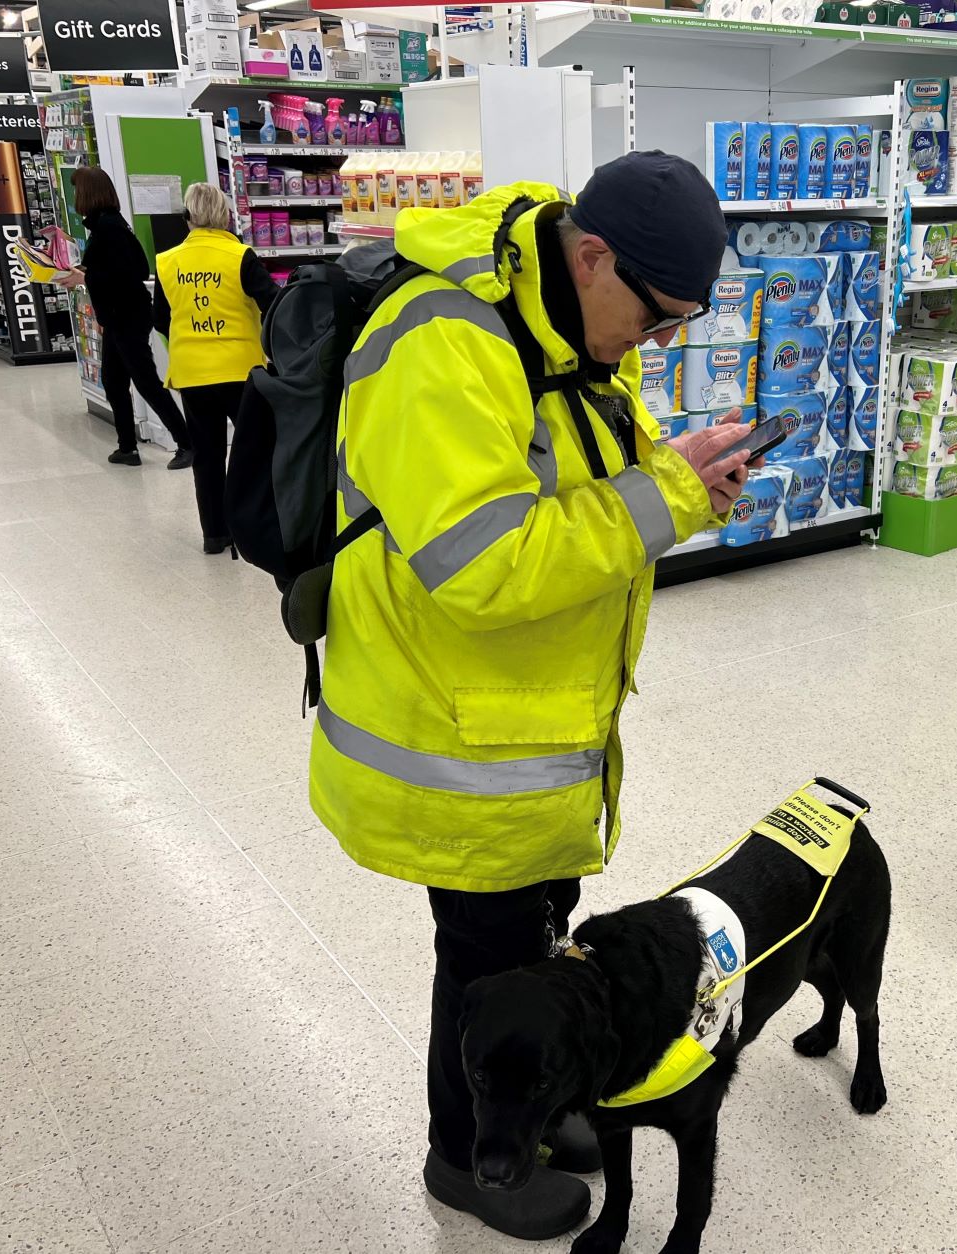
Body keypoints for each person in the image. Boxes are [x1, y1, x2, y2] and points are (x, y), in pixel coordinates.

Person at [308, 152, 755, 1240]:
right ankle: (465, 1154)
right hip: (451, 732)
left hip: (532, 732)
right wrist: (665, 497)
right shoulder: (443, 342)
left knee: (534, 946)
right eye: (655, 321)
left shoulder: (565, 326)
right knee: (485, 963)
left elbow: (597, 483)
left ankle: (538, 1098)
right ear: (590, 254)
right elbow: (482, 566)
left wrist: (682, 478)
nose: (658, 346)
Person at [153, 182, 280, 555]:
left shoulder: (167, 261)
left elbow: (160, 318)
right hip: (241, 371)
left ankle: (215, 535)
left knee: (207, 455)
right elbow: (272, 303)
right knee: (256, 450)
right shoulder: (241, 256)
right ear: (225, 216)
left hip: (193, 372)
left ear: (187, 217)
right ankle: (258, 527)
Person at [58, 167, 193, 469]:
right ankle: (127, 447)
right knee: (114, 381)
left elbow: (128, 273)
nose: (76, 197)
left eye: (78, 191)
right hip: (119, 315)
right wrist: (86, 274)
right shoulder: (107, 225)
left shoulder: (109, 228)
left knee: (145, 381)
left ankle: (186, 443)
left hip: (127, 315)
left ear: (88, 194)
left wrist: (85, 278)